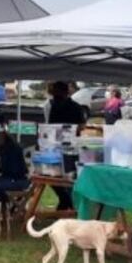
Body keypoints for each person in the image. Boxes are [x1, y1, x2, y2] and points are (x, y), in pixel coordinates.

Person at [46, 80, 85, 211]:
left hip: (67, 146)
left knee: (63, 177)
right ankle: (66, 201)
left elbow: (81, 126)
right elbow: (82, 125)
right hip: (59, 146)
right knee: (56, 177)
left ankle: (68, 202)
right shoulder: (56, 106)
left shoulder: (61, 106)